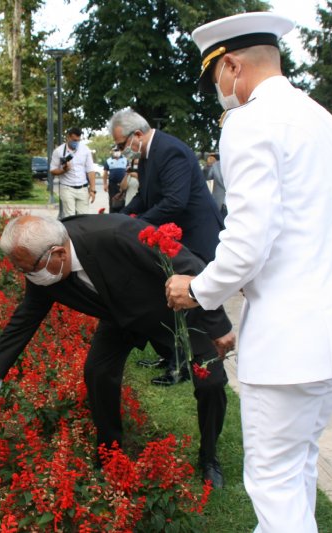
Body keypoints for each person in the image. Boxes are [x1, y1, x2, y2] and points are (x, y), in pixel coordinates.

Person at [168, 13, 332, 532]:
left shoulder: (251, 121)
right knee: (297, 468)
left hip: (294, 339)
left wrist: (196, 289)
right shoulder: (321, 118)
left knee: (272, 481)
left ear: (232, 66)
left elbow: (248, 242)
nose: (219, 92)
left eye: (216, 79)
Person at [0, 214, 236, 487]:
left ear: (58, 253)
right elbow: (22, 323)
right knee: (98, 373)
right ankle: (109, 453)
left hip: (173, 310)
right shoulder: (43, 270)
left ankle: (208, 457)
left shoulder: (115, 235)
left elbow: (190, 266)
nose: (27, 277)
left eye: (29, 270)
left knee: (210, 384)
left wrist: (218, 326)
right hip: (120, 317)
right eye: (21, 270)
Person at [110, 108, 223, 386]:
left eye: (122, 145)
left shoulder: (169, 150)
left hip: (197, 236)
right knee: (166, 296)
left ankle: (185, 365)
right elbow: (146, 199)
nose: (122, 151)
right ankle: (171, 354)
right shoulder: (148, 155)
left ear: (137, 135)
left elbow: (174, 202)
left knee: (188, 302)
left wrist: (136, 227)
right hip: (180, 237)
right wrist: (119, 220)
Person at [50, 127, 96, 217]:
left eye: (78, 140)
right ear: (68, 137)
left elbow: (90, 170)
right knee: (70, 217)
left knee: (83, 218)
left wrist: (93, 190)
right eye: (74, 140)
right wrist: (63, 170)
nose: (76, 142)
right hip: (67, 188)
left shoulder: (85, 150)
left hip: (83, 188)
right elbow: (52, 171)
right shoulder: (58, 151)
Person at [102, 148, 128, 213]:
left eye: (118, 150)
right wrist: (105, 184)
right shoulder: (108, 161)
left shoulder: (125, 160)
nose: (117, 152)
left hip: (124, 185)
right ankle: (112, 215)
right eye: (115, 150)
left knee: (124, 201)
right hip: (112, 185)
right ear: (112, 151)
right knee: (112, 201)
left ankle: (123, 214)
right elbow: (105, 173)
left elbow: (128, 172)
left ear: (121, 151)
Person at [207, 153, 227, 220]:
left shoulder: (215, 165)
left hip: (219, 202)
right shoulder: (238, 164)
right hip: (234, 203)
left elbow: (209, 177)